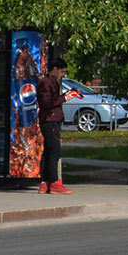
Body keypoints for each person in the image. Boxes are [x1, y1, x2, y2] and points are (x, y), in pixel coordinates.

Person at [36, 57, 74, 194]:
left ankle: (45, 182)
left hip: (51, 119)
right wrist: (64, 98)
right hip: (50, 120)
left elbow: (52, 100)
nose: (62, 75)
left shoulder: (51, 82)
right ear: (55, 69)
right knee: (55, 151)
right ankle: (53, 182)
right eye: (61, 72)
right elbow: (47, 103)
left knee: (48, 151)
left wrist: (64, 96)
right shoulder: (46, 82)